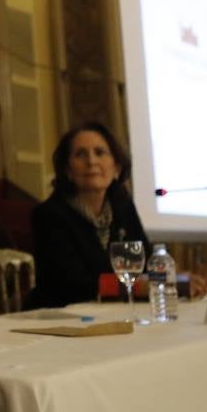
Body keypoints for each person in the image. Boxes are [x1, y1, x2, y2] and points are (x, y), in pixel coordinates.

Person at [25, 122, 148, 309]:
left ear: (116, 166)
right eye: (81, 154)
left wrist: (173, 278)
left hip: (114, 311)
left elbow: (145, 260)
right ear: (67, 170)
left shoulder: (123, 207)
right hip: (60, 319)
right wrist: (137, 286)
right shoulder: (48, 215)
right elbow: (72, 284)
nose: (91, 162)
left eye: (100, 152)